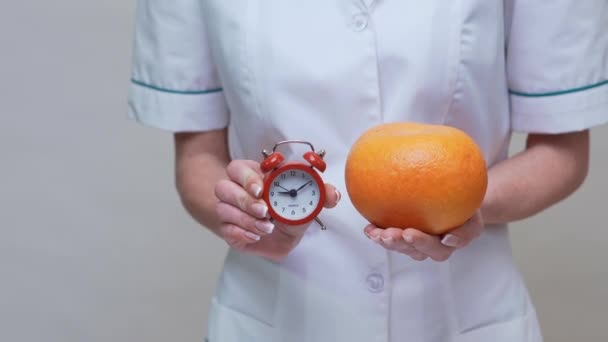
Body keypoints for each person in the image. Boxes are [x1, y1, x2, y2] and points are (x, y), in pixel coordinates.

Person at [127, 1, 608, 341]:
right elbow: (196, 158)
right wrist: (243, 213)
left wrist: (465, 204)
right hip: (275, 315)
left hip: (462, 312)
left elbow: (562, 149)